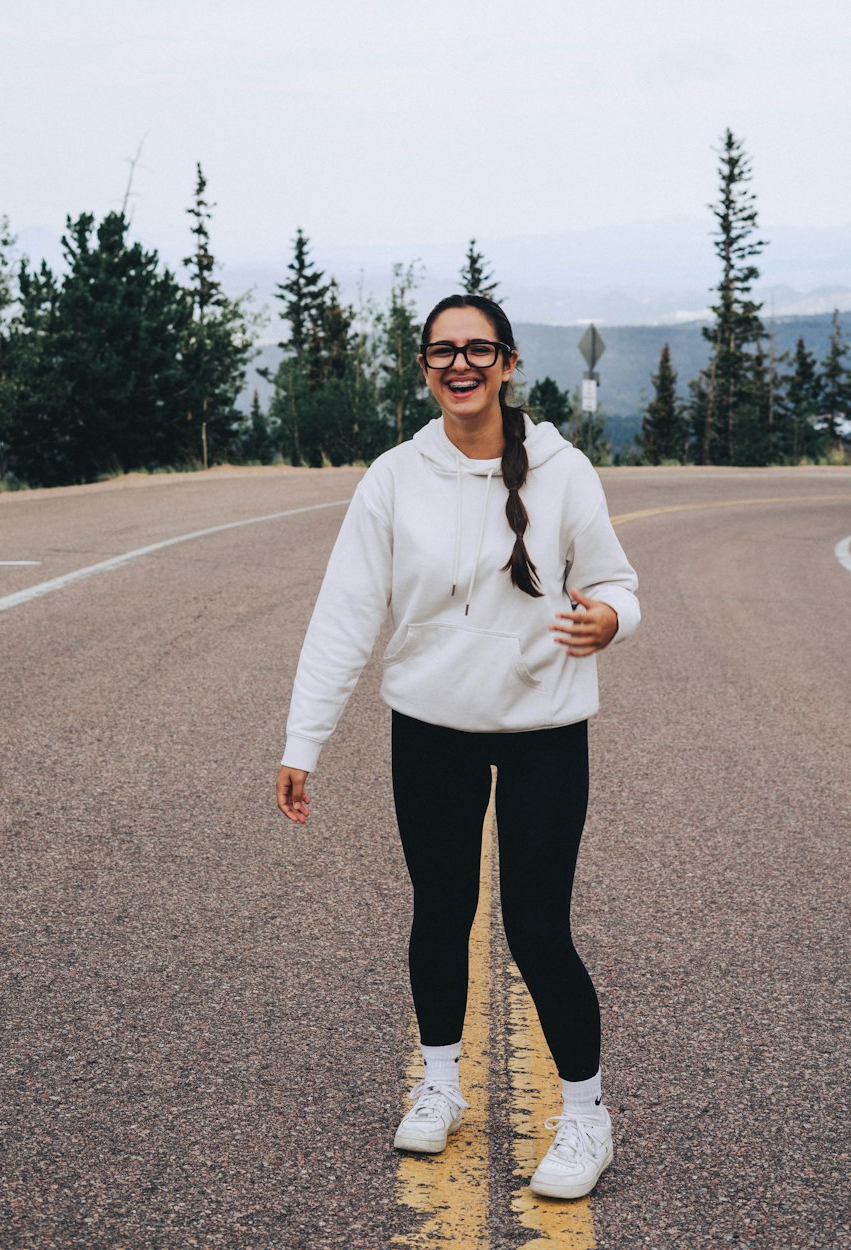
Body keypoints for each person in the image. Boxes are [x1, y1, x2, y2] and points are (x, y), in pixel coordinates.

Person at [276, 294, 639, 1201]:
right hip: (429, 730)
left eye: (479, 349)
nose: (461, 364)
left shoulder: (563, 471)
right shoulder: (394, 477)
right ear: (425, 367)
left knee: (536, 929)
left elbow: (617, 583)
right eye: (443, 352)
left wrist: (612, 619)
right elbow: (346, 615)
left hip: (544, 735)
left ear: (509, 364)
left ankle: (586, 1116)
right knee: (440, 911)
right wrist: (303, 740)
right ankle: (439, 1082)